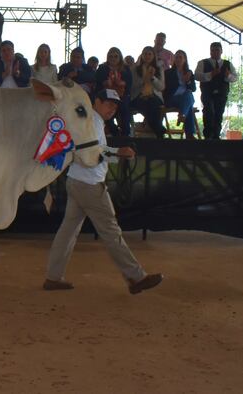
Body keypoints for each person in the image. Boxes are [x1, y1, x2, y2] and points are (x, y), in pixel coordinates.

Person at [43, 88, 163, 295]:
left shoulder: (90, 120)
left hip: (77, 181)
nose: (113, 108)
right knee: (110, 231)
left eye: (115, 105)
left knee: (67, 232)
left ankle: (53, 277)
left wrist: (117, 154)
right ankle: (135, 277)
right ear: (96, 101)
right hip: (90, 185)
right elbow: (90, 155)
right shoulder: (94, 121)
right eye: (109, 103)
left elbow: (90, 153)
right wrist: (119, 152)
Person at [195, 42, 238, 140]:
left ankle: (216, 136)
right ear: (210, 51)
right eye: (213, 50)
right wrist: (211, 74)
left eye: (217, 50)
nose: (215, 52)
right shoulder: (202, 62)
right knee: (208, 111)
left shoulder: (227, 64)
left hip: (222, 93)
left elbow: (235, 78)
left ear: (221, 51)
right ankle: (208, 135)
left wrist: (228, 75)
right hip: (207, 92)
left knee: (219, 113)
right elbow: (196, 76)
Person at [95, 47, 132, 136]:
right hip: (107, 96)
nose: (113, 58)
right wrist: (106, 83)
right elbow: (98, 83)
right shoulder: (102, 67)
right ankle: (115, 132)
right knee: (105, 109)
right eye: (111, 56)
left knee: (124, 109)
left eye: (116, 56)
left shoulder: (126, 68)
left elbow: (129, 84)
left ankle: (126, 135)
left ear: (120, 57)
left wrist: (120, 84)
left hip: (122, 95)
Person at [130, 46, 165, 138]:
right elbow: (132, 86)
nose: (147, 56)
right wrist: (145, 78)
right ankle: (159, 130)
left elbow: (161, 87)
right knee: (148, 104)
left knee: (153, 104)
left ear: (154, 56)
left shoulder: (159, 69)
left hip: (154, 96)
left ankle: (153, 128)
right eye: (145, 54)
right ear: (141, 55)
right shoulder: (135, 69)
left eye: (150, 54)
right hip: (139, 96)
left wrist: (153, 78)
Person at [163, 49, 197, 139]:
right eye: (176, 57)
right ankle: (189, 133)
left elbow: (193, 88)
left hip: (184, 99)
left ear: (185, 59)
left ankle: (182, 115)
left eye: (180, 57)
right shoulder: (168, 73)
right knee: (189, 100)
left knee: (188, 95)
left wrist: (188, 81)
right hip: (172, 98)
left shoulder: (189, 72)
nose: (178, 59)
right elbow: (166, 89)